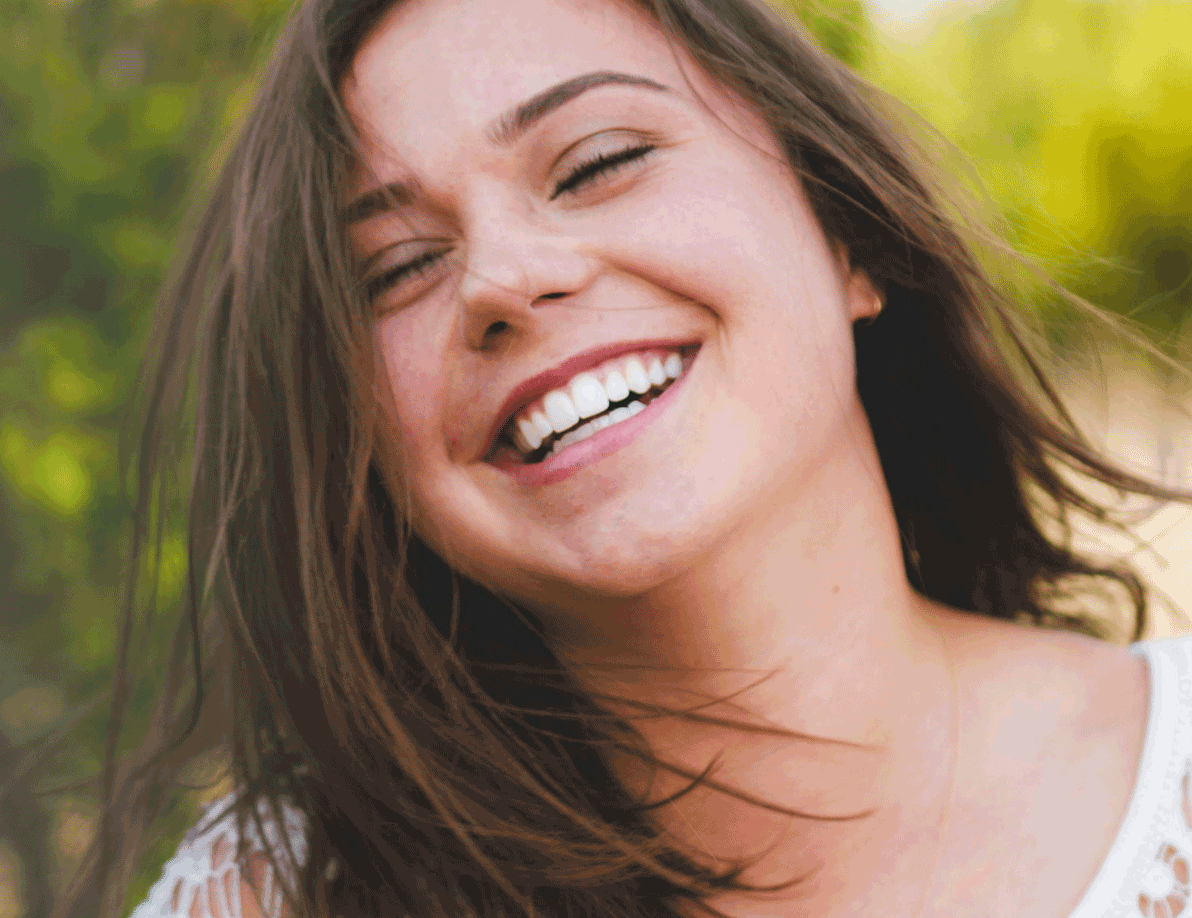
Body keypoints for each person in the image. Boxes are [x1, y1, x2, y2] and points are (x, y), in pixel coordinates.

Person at [64, 0, 1192, 916]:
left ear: (848, 231)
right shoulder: (276, 899)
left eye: (598, 161)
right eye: (397, 269)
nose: (502, 277)